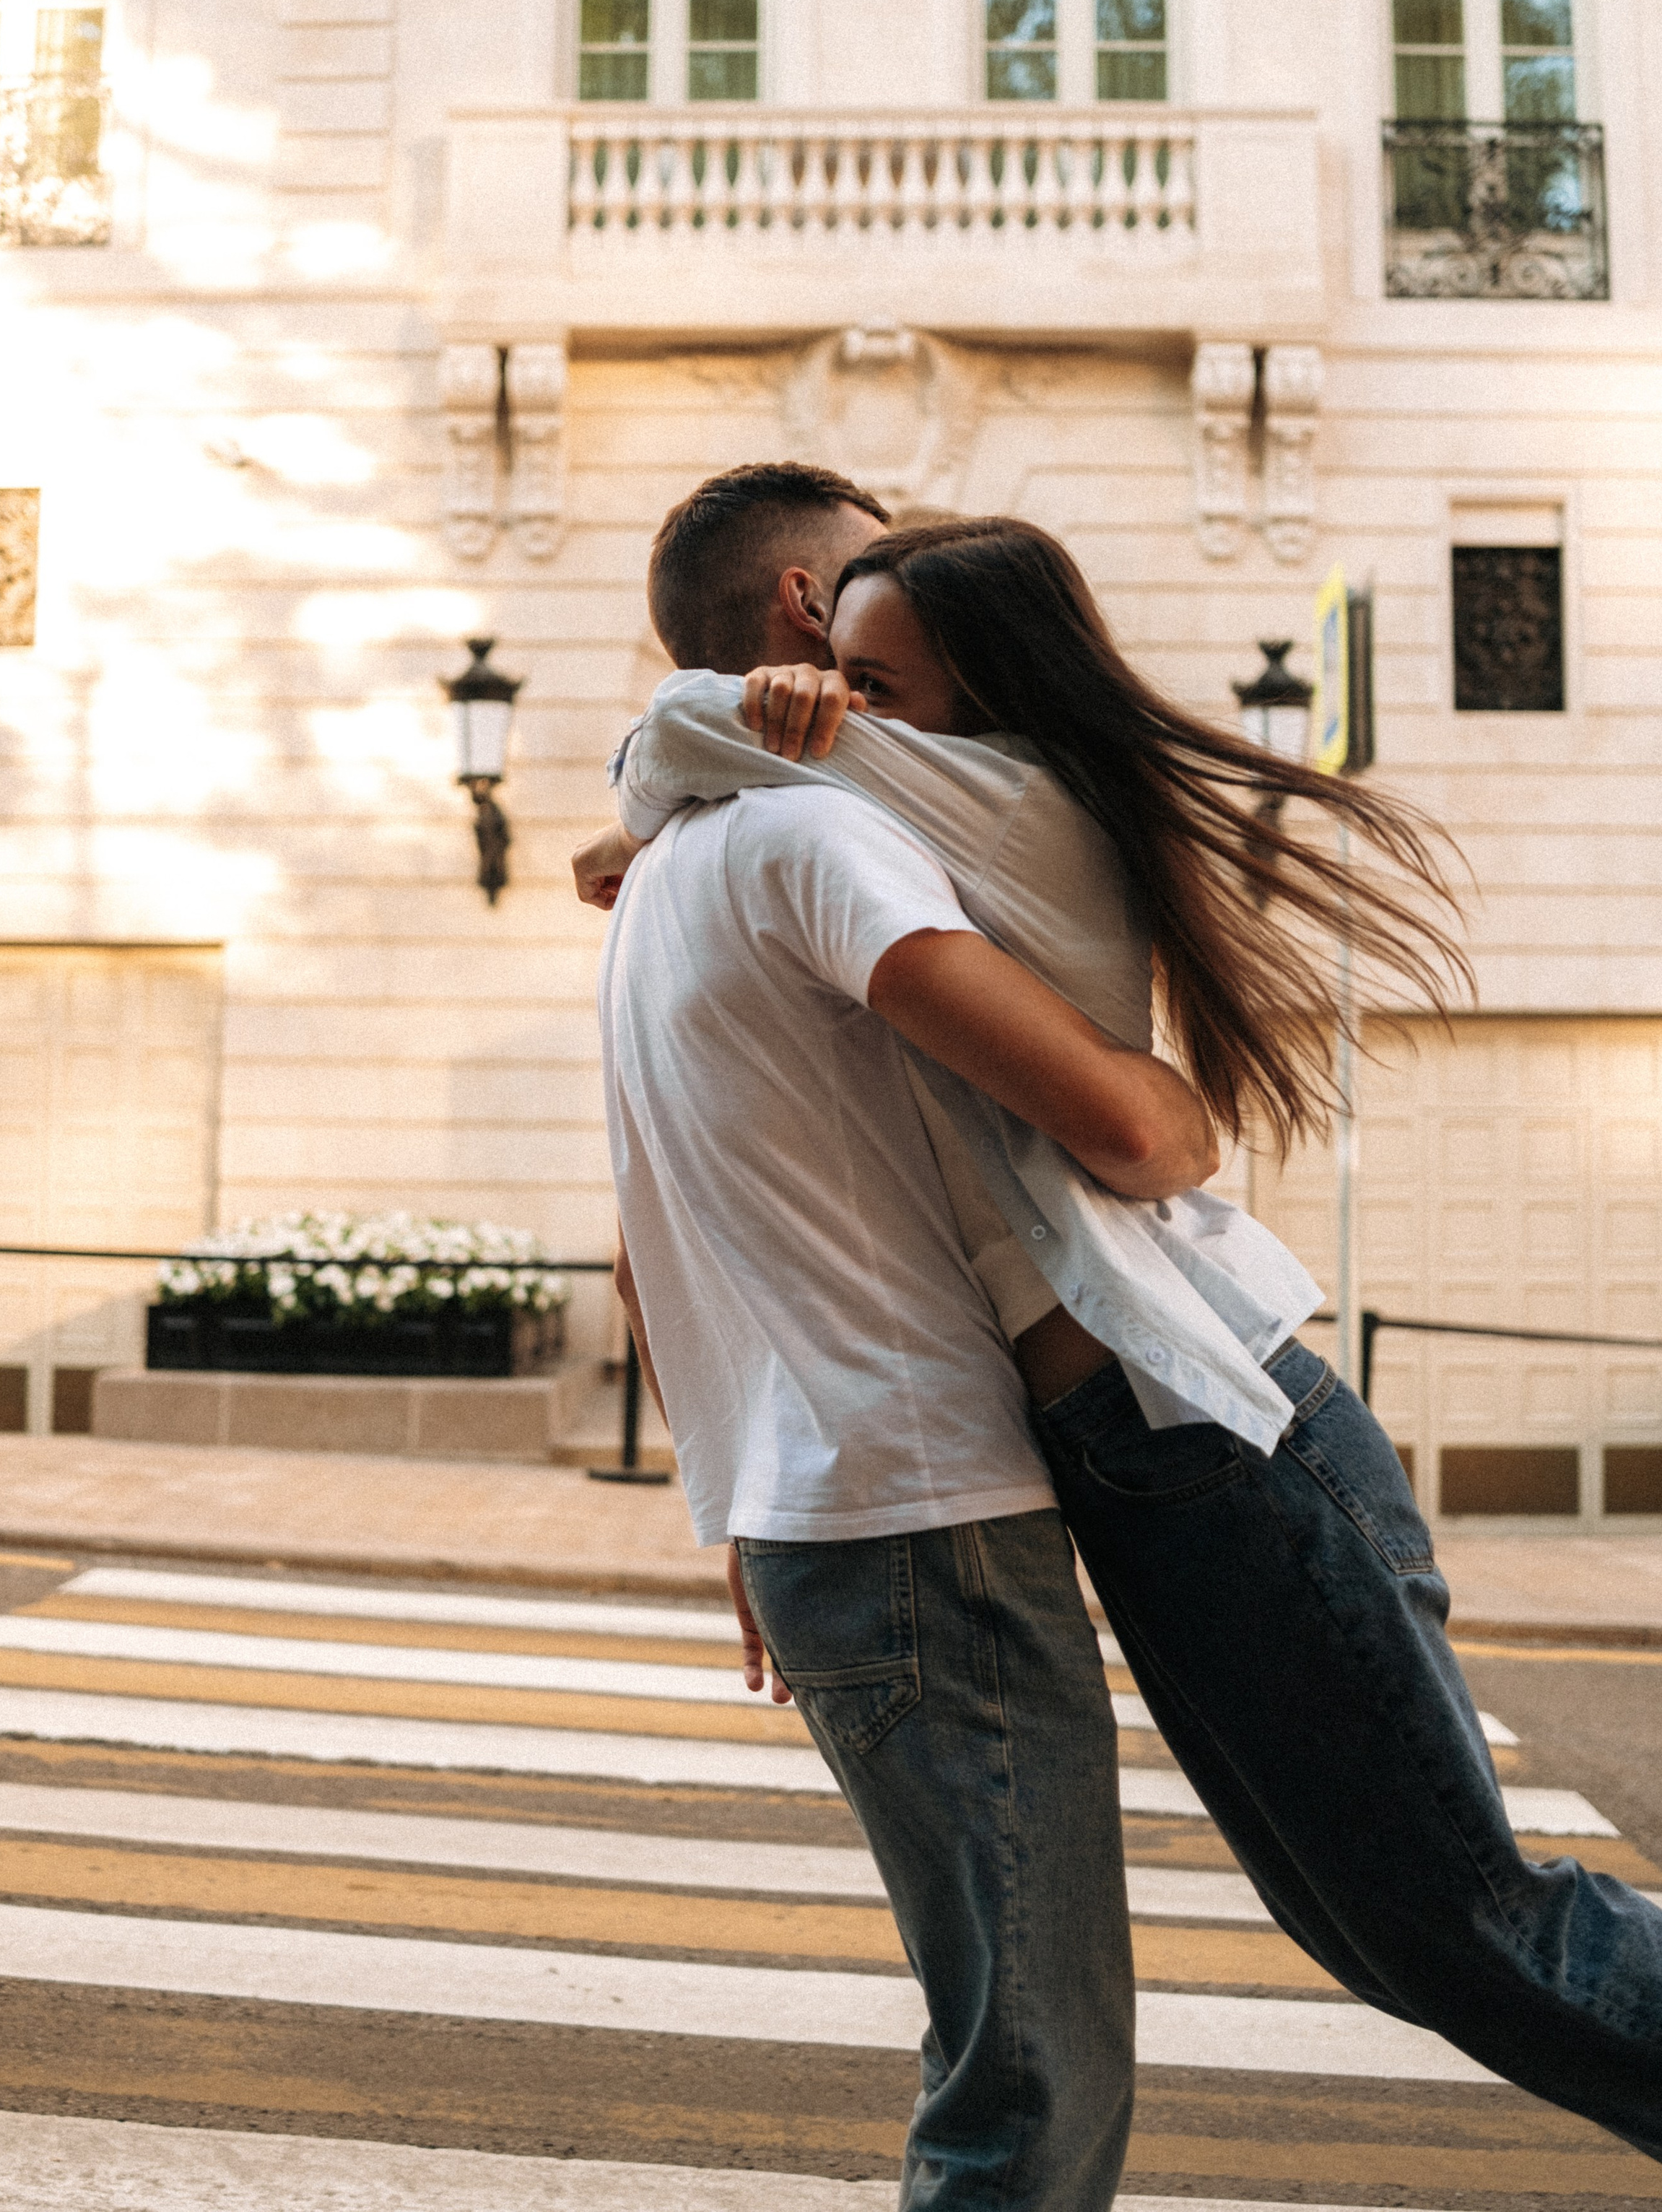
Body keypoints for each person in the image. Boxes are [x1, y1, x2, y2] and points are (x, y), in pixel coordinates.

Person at [584, 495, 1662, 2162]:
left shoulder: (925, 802)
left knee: (1463, 1928)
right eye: (843, 665)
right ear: (799, 609)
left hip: (1211, 1417)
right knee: (1397, 1936)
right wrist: (740, 1484)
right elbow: (669, 1213)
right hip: (1131, 1446)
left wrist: (680, 751)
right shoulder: (816, 816)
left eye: (891, 679)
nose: (853, 707)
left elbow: (1155, 1137)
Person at [595, 462, 1225, 2209]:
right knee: (1029, 2074)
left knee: (1002, 2044)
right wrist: (1175, 1113)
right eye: (878, 559)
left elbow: (648, 1227)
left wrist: (739, 1494)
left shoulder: (659, 880)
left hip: (828, 1511)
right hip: (921, 1507)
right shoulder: (819, 830)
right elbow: (1132, 1133)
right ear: (810, 606)